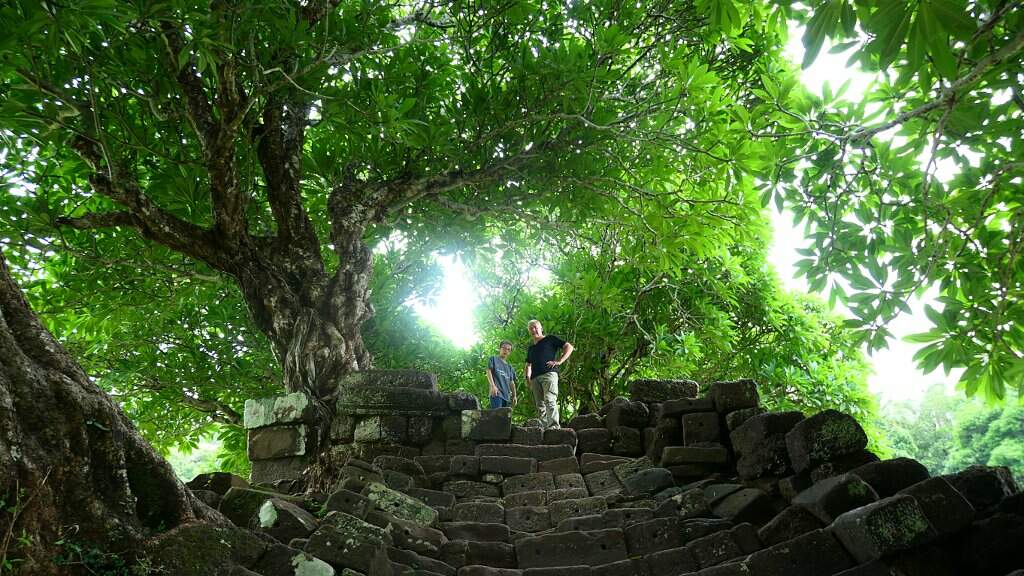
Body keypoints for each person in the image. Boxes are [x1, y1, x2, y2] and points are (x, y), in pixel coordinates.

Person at [525, 319, 574, 428]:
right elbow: (528, 365)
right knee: (540, 405)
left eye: (535, 327)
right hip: (535, 378)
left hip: (549, 374)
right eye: (531, 328)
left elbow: (569, 347)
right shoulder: (531, 348)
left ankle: (554, 427)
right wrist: (527, 377)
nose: (533, 329)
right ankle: (544, 428)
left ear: (541, 328)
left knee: (549, 399)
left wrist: (559, 361)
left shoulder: (550, 339)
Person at [486, 340, 518, 409]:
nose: (505, 351)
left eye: (508, 349)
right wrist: (493, 386)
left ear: (510, 352)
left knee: (505, 418)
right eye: (504, 348)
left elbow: (512, 382)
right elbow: (488, 371)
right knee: (497, 416)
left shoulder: (510, 367)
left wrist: (514, 396)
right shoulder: (493, 359)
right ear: (500, 349)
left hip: (507, 397)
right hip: (497, 393)